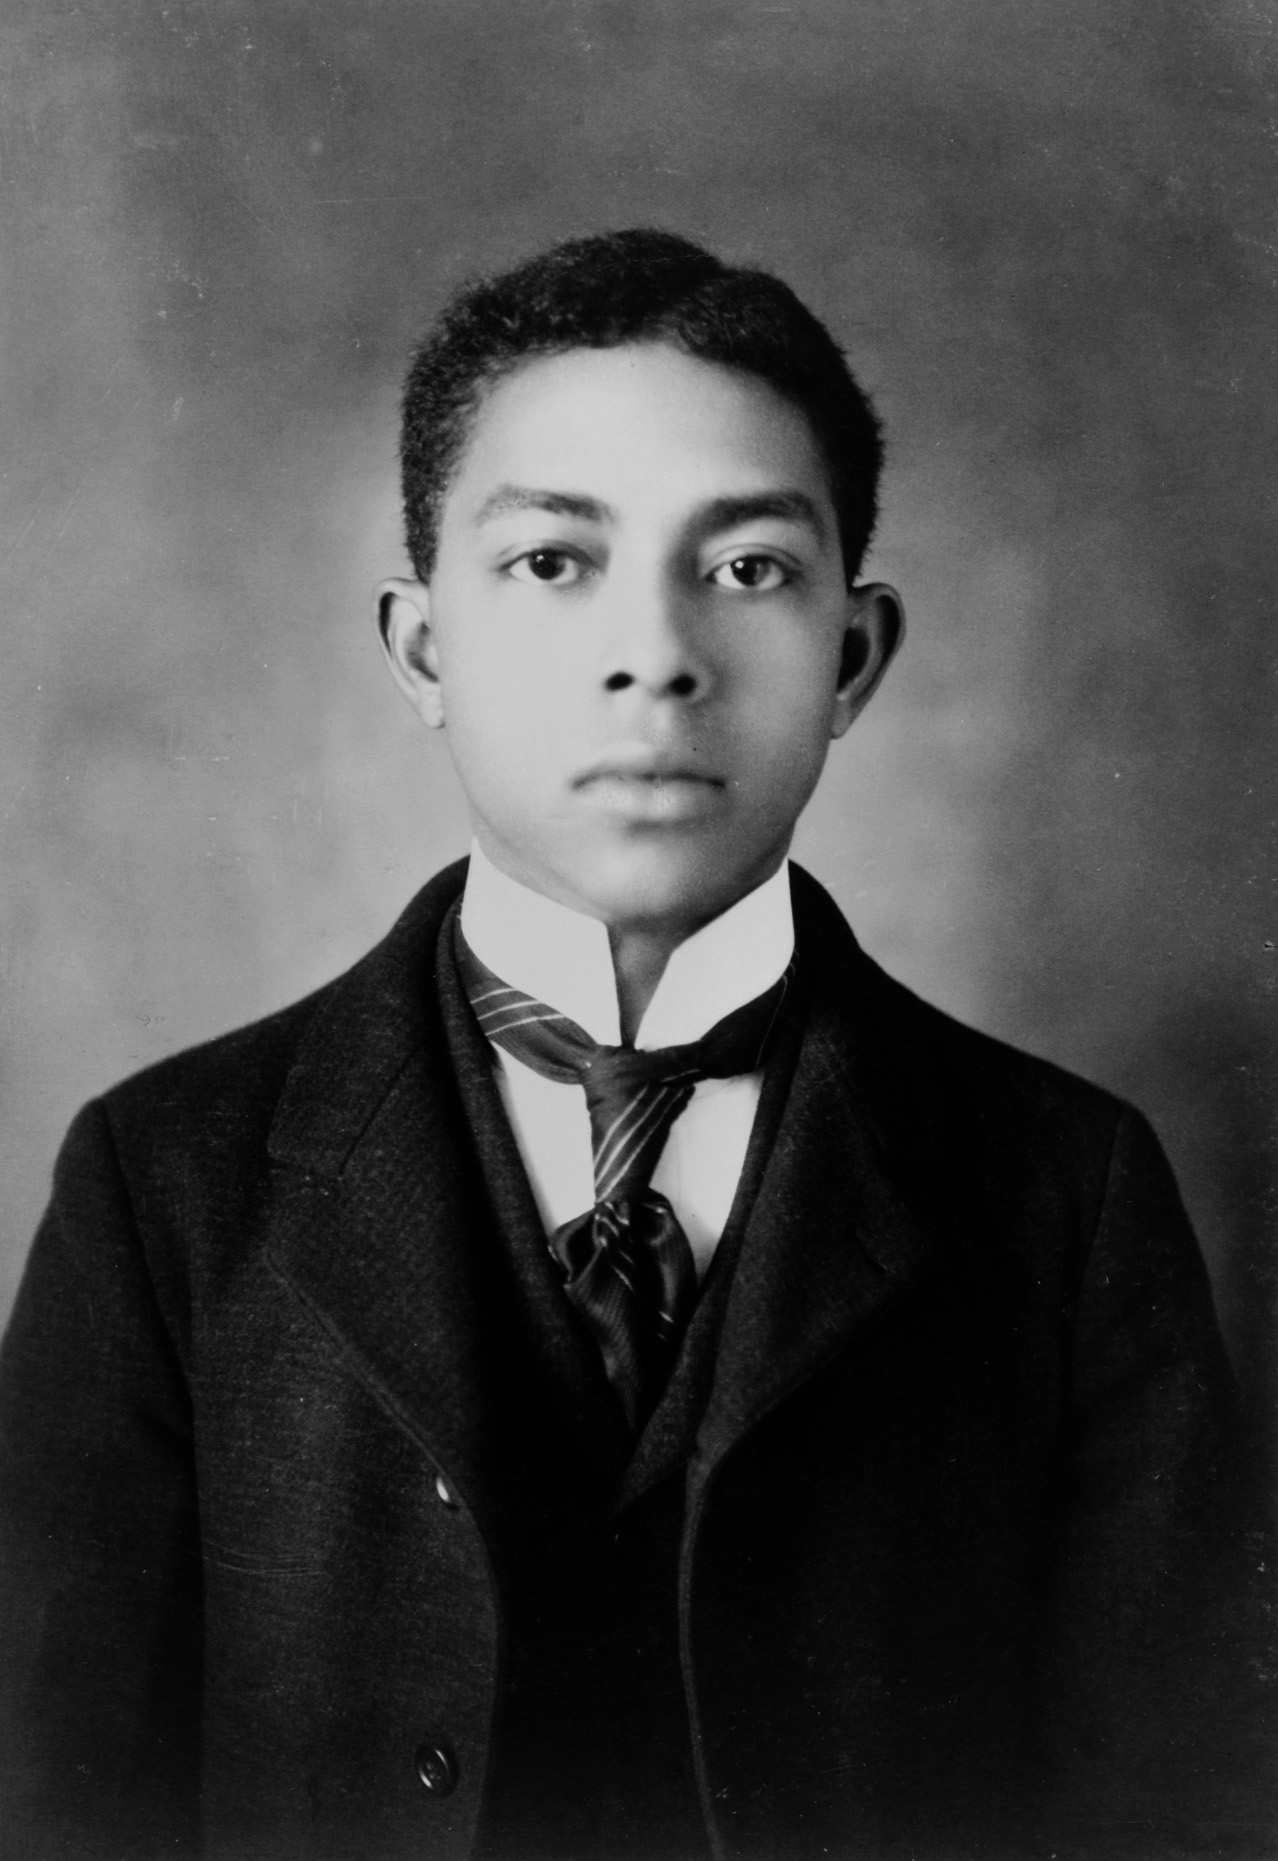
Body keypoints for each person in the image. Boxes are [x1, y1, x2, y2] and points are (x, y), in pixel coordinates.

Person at [0, 229, 1268, 1861]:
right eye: (550, 562)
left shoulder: (1067, 1189)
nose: (657, 655)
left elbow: (1168, 1807)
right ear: (421, 647)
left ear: (854, 657)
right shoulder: (166, 1179)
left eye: (747, 567)